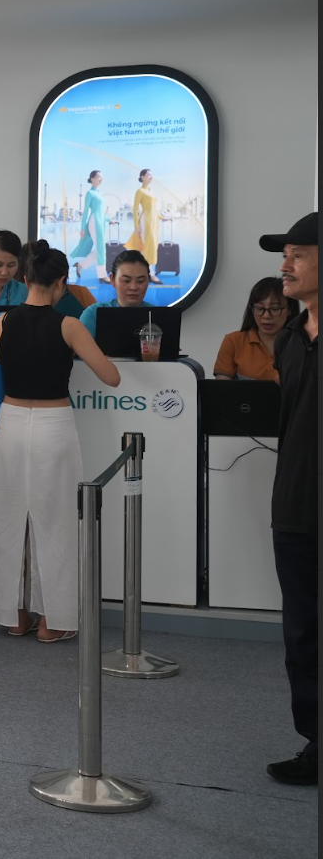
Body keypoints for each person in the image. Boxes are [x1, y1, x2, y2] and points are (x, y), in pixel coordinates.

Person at [0, 242, 119, 643]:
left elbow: (2, 364)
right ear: (61, 282)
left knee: (8, 521)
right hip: (53, 425)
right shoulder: (69, 325)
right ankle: (53, 621)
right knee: (56, 523)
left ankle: (14, 615)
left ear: (25, 277)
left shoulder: (1, 322)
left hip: (10, 424)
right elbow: (111, 377)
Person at [259, 211, 317, 786]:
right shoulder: (292, 341)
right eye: (285, 255)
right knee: (301, 635)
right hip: (295, 509)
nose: (285, 265)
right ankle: (316, 744)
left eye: (298, 254)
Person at [214, 276, 299, 381]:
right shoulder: (234, 341)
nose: (266, 316)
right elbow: (222, 386)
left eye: (275, 308)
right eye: (259, 308)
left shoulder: (304, 344)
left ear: (290, 310)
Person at [79, 249, 151, 336]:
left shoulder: (159, 315)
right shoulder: (93, 314)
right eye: (126, 280)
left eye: (140, 281)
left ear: (148, 280)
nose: (133, 287)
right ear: (112, 279)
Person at [124, 168, 164, 283]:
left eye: (152, 175)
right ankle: (151, 274)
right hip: (145, 220)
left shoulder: (151, 191)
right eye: (149, 175)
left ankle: (141, 271)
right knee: (148, 246)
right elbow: (135, 209)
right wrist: (136, 227)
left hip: (153, 221)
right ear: (143, 177)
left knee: (153, 246)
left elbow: (154, 209)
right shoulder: (140, 191)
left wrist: (161, 217)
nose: (152, 177)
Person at [72, 170, 107, 283]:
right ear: (92, 179)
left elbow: (101, 212)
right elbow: (86, 211)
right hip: (94, 222)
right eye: (98, 177)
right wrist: (83, 228)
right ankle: (102, 275)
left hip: (101, 222)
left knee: (100, 249)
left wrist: (109, 220)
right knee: (101, 249)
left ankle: (80, 265)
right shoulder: (90, 193)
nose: (101, 179)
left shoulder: (99, 193)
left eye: (101, 177)